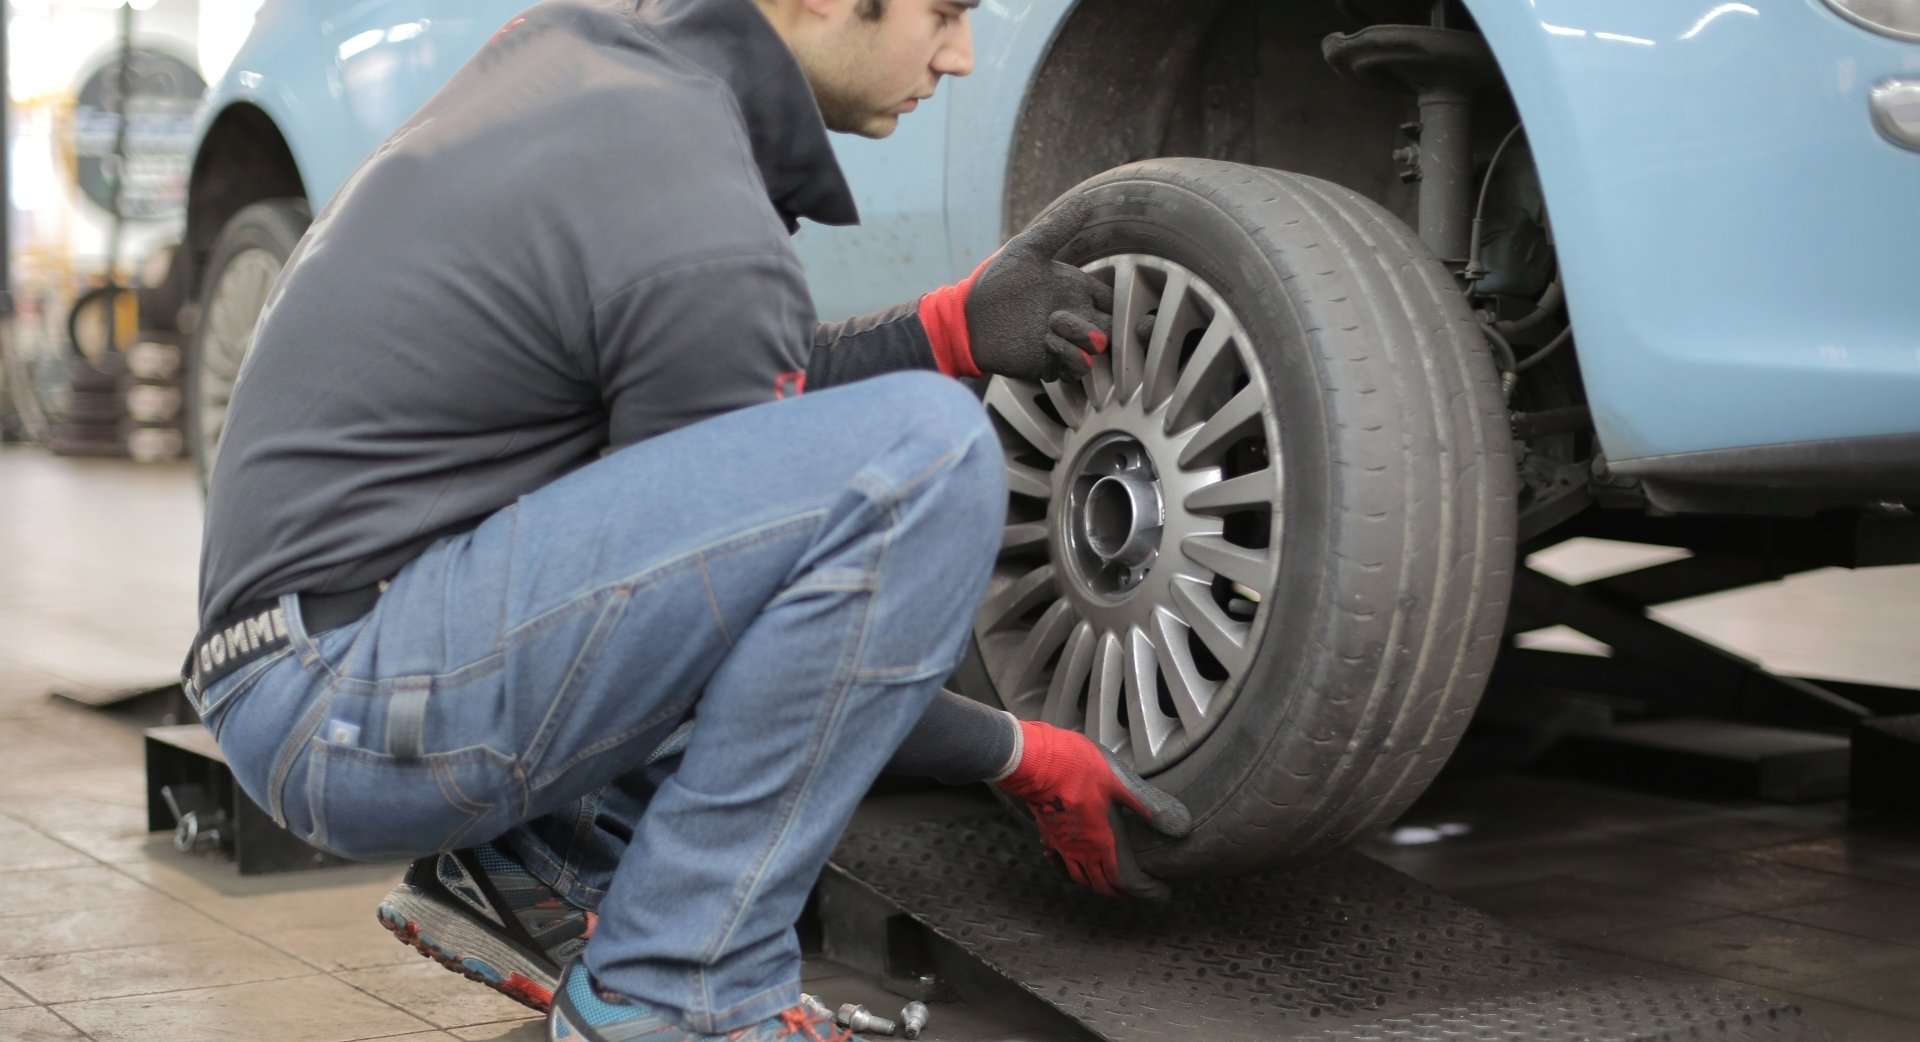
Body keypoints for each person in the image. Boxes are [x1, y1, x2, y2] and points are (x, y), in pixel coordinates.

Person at [181, 1, 1190, 1040]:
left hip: (315, 663)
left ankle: (544, 859)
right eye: (941, 11)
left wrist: (945, 328)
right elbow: (749, 590)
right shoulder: (686, 185)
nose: (960, 55)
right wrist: (1016, 750)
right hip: (354, 702)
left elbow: (727, 442)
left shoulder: (618, 80)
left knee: (857, 459)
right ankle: (680, 988)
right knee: (926, 457)